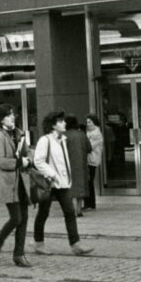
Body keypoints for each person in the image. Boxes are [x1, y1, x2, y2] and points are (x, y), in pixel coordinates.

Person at [32, 110, 93, 257]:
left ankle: (76, 245)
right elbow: (38, 161)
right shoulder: (45, 140)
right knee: (43, 213)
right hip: (49, 183)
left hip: (62, 183)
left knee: (70, 212)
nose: (64, 123)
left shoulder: (62, 140)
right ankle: (38, 243)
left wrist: (66, 179)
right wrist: (52, 174)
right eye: (60, 121)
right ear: (53, 125)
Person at [0, 103, 33, 268]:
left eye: (12, 114)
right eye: (8, 115)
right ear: (1, 119)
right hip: (9, 184)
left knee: (24, 218)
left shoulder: (19, 132)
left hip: (22, 183)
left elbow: (28, 150)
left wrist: (29, 159)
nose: (12, 117)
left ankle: (19, 255)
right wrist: (20, 162)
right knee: (16, 218)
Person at [64, 114, 90, 218]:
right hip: (82, 164)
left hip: (69, 164)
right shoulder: (82, 134)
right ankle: (79, 210)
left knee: (71, 189)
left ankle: (73, 210)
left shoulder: (64, 135)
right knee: (80, 188)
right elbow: (89, 148)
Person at [83, 114, 103, 211]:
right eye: (87, 122)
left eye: (90, 122)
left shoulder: (96, 134)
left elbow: (89, 147)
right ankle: (90, 203)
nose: (88, 124)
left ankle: (90, 204)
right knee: (89, 181)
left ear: (94, 122)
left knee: (89, 181)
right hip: (90, 160)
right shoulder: (90, 132)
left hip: (92, 160)